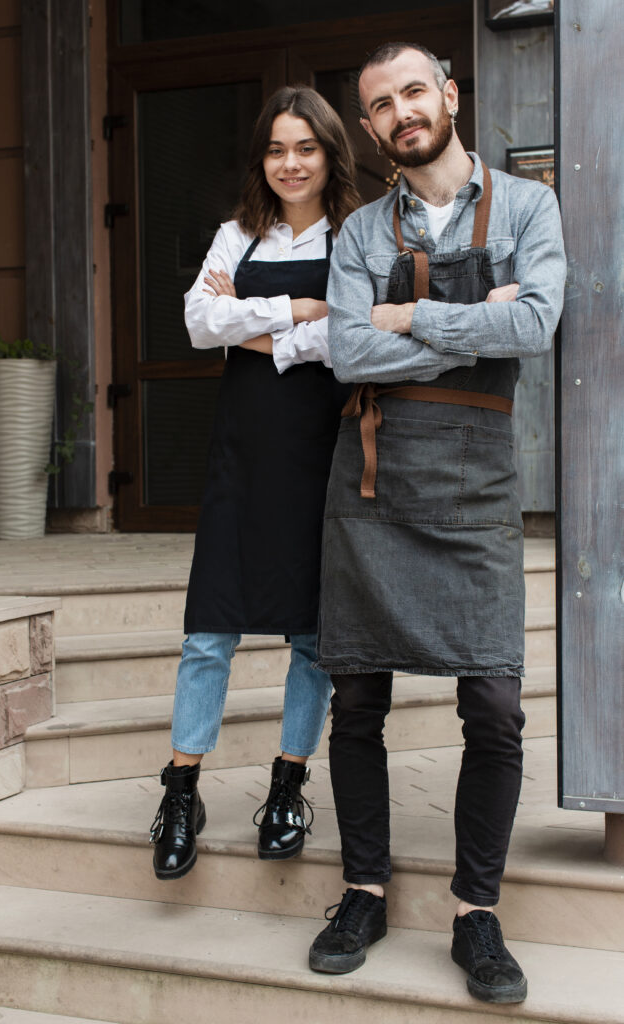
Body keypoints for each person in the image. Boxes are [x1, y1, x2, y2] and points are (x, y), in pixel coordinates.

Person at [307, 43, 566, 1005]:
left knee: (493, 708)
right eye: (381, 104)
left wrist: (407, 319)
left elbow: (533, 326)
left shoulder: (528, 208)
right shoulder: (358, 230)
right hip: (373, 486)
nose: (401, 112)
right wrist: (465, 324)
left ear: (449, 94)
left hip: (477, 485)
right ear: (369, 128)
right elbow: (345, 354)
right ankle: (362, 893)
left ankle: (475, 912)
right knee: (356, 701)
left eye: (413, 92)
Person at [150, 86, 361, 882]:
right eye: (275, 149)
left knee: (312, 635)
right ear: (260, 159)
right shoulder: (237, 232)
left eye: (304, 148)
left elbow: (351, 336)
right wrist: (298, 306)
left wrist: (261, 327)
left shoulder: (357, 235)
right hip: (240, 456)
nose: (289, 163)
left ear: (329, 154)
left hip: (321, 455)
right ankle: (180, 791)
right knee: (209, 630)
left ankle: (287, 784)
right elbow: (198, 322)